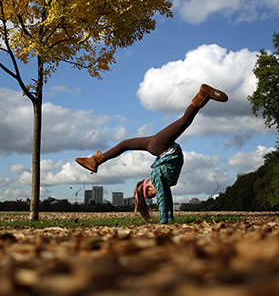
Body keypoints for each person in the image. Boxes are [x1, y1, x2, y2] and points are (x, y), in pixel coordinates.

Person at [76, 84, 228, 224]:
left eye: (150, 195)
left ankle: (202, 94)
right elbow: (167, 198)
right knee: (125, 144)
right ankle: (95, 161)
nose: (155, 195)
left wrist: (163, 221)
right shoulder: (162, 179)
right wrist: (170, 218)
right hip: (160, 150)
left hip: (161, 148)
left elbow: (162, 199)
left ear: (148, 187)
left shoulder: (156, 177)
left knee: (184, 121)